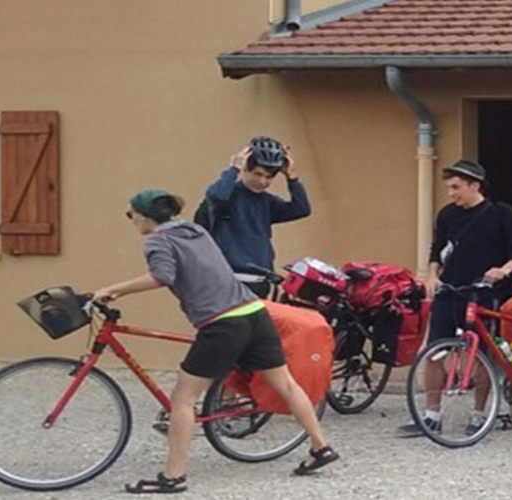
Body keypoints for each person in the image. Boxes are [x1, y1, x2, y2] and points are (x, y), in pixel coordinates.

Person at [91, 189, 335, 494]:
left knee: (182, 399)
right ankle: (321, 447)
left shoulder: (157, 239)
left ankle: (173, 477)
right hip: (255, 313)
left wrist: (112, 289)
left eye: (130, 215)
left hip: (223, 323)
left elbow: (161, 276)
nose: (131, 221)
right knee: (285, 384)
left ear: (144, 215)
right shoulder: (195, 230)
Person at [401, 159, 512, 436]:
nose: (451, 193)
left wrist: (503, 270)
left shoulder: (500, 213)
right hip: (450, 290)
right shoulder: (447, 214)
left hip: (485, 292)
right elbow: (436, 251)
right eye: (449, 187)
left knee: (482, 352)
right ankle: (431, 415)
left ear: (475, 185)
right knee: (435, 351)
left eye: (456, 187)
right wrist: (433, 276)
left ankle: (480, 413)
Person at [197, 136, 311, 298]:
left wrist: (291, 177)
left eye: (269, 177)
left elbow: (301, 209)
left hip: (260, 282)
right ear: (245, 168)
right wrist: (233, 169)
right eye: (257, 174)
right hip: (228, 281)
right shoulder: (226, 196)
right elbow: (215, 197)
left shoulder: (268, 201)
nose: (262, 181)